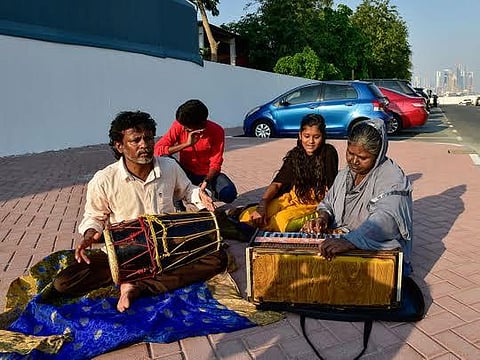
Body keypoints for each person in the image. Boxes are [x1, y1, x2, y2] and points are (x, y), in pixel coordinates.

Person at [53, 111, 228, 312]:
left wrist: (200, 197)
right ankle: (137, 277)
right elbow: (94, 216)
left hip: (167, 246)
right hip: (123, 252)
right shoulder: (104, 179)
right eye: (135, 140)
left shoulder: (169, 167)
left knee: (217, 258)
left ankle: (135, 286)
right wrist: (90, 235)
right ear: (119, 146)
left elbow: (188, 191)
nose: (144, 145)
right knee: (65, 282)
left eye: (148, 138)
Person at [302, 119, 413, 275]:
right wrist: (323, 218)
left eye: (362, 157)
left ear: (377, 154)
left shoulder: (392, 179)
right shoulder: (345, 174)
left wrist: (351, 241)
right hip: (342, 238)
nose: (353, 161)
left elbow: (386, 220)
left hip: (374, 246)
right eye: (350, 153)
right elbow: (328, 202)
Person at [238, 114, 339, 232]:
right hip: (292, 198)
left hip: (314, 203)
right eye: (307, 136)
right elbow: (276, 184)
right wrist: (262, 206)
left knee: (281, 221)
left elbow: (333, 188)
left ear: (323, 137)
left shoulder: (328, 153)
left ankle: (310, 220)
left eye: (316, 137)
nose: (311, 141)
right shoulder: (295, 155)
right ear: (300, 135)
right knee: (247, 216)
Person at [154, 99, 237, 211]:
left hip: (207, 175)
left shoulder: (216, 131)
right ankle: (178, 204)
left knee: (229, 193)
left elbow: (215, 164)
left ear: (202, 125)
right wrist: (186, 144)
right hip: (185, 173)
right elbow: (157, 150)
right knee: (165, 160)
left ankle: (205, 194)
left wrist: (205, 182)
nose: (184, 129)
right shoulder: (179, 126)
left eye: (188, 128)